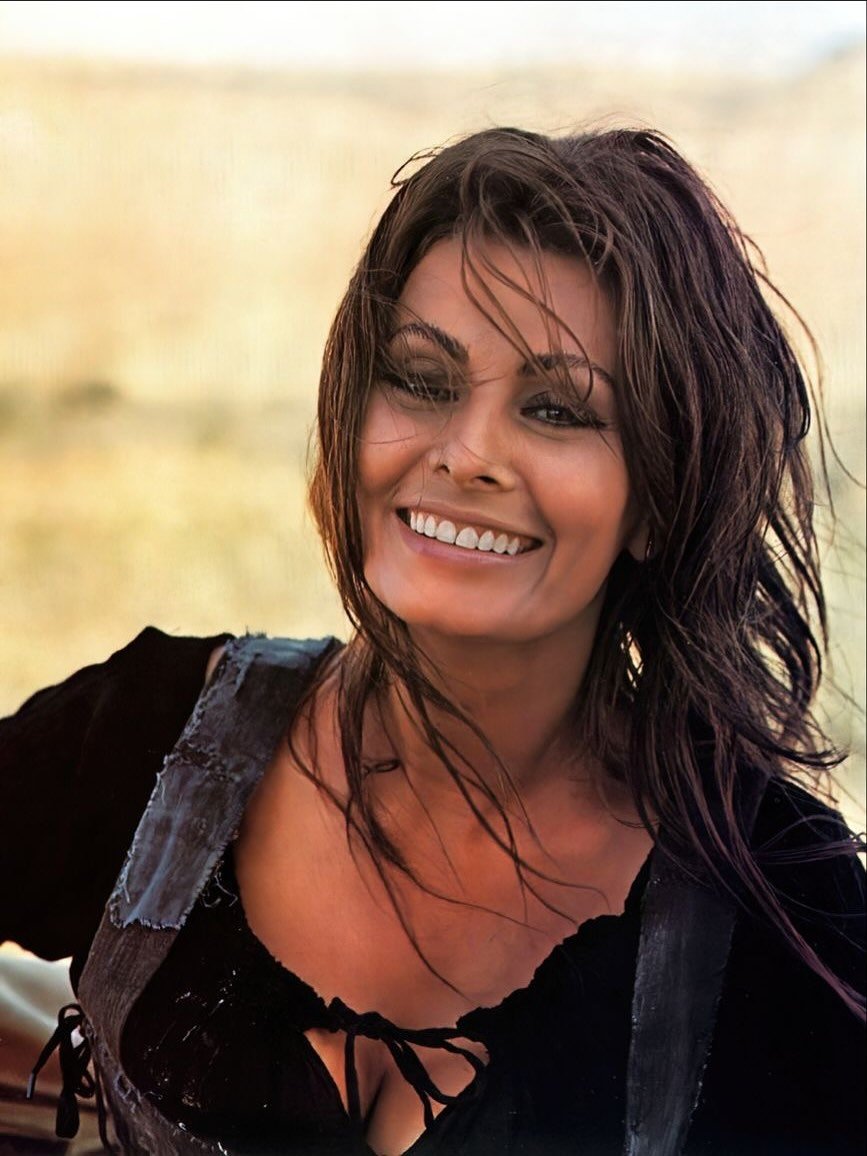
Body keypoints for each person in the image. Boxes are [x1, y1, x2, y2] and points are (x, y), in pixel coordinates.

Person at [1, 126, 864, 1156]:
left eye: (557, 409)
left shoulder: (784, 909)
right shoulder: (155, 732)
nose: (465, 453)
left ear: (657, 497)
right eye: (422, 379)